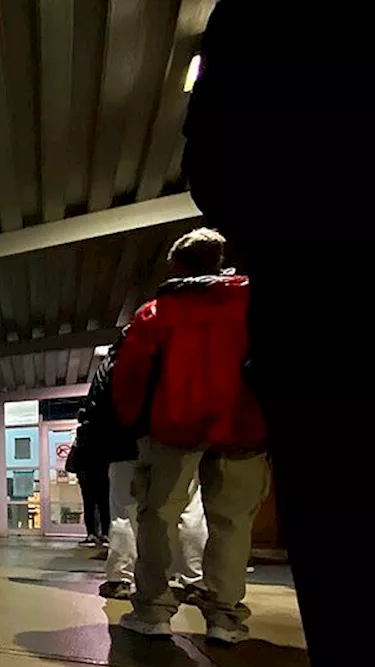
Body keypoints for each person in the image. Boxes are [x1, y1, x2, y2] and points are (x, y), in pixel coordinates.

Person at [182, 0, 375, 667]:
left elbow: (220, 153)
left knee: (353, 562)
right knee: (232, 523)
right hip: (251, 413)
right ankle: (224, 610)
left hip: (332, 324)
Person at [111, 228, 268, 644]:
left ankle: (154, 610)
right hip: (244, 428)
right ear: (221, 261)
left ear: (176, 265)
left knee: (158, 516)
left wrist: (133, 427)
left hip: (173, 428)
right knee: (232, 522)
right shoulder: (252, 304)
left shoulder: (156, 314)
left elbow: (130, 379)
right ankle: (224, 617)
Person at [80, 331, 208, 601]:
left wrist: (93, 448)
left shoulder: (114, 362)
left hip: (124, 446)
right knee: (188, 508)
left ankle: (120, 579)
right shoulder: (179, 354)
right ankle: (194, 581)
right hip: (176, 442)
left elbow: (94, 407)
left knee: (124, 511)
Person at [62, 430, 108, 546]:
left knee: (89, 506)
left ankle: (91, 534)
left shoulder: (81, 438)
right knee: (104, 506)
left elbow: (75, 457)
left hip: (86, 478)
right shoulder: (103, 436)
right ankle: (105, 534)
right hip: (102, 477)